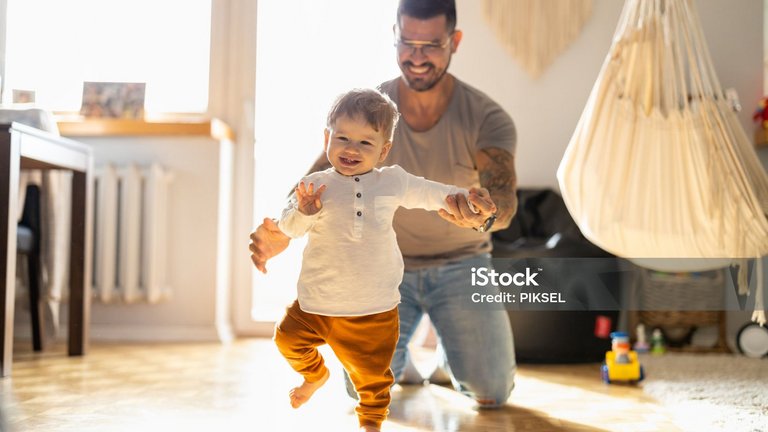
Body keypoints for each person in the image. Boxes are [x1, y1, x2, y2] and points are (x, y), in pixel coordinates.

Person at [251, 0, 518, 409]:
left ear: (455, 41)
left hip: (462, 264)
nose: (417, 56)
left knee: (491, 392)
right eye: (407, 42)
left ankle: (451, 353)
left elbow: (503, 200)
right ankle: (404, 362)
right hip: (374, 273)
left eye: (430, 44)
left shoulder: (486, 116)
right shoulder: (369, 110)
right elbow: (313, 183)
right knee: (359, 389)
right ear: (394, 36)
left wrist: (486, 214)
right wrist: (284, 229)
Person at [272, 88, 496, 432]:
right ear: (326, 138)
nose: (351, 149)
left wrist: (467, 198)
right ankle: (315, 375)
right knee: (286, 339)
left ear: (384, 150)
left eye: (365, 143)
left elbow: (432, 192)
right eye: (342, 137)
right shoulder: (314, 186)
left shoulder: (391, 181)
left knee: (373, 381)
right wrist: (304, 212)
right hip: (316, 304)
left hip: (373, 309)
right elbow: (289, 227)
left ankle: (371, 425)